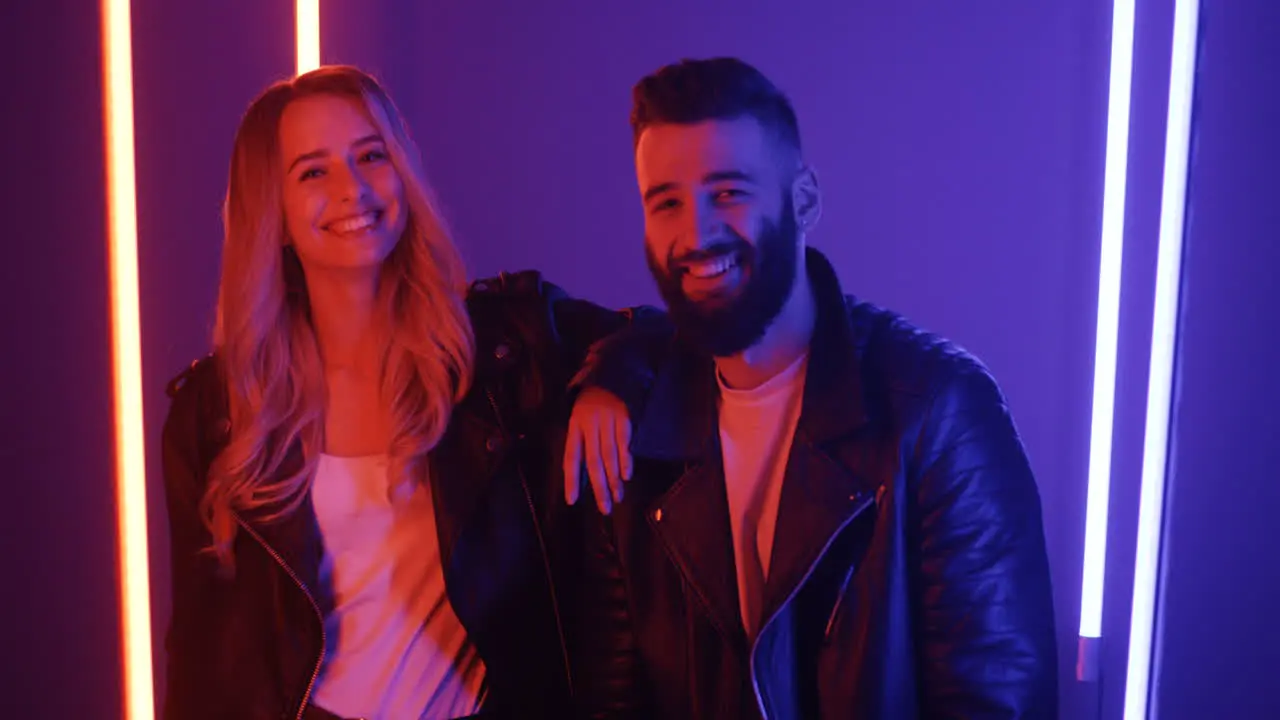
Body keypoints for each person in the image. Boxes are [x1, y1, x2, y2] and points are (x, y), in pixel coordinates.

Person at [568, 57, 1059, 718]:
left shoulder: (939, 415)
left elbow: (995, 700)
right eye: (667, 203)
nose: (696, 234)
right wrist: (610, 373)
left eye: (729, 192)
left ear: (803, 200)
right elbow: (613, 700)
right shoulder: (631, 429)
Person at [159, 65, 654, 720]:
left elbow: (652, 334)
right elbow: (200, 657)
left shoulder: (502, 349)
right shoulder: (217, 413)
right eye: (313, 172)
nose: (354, 188)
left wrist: (607, 384)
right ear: (273, 213)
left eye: (372, 155)